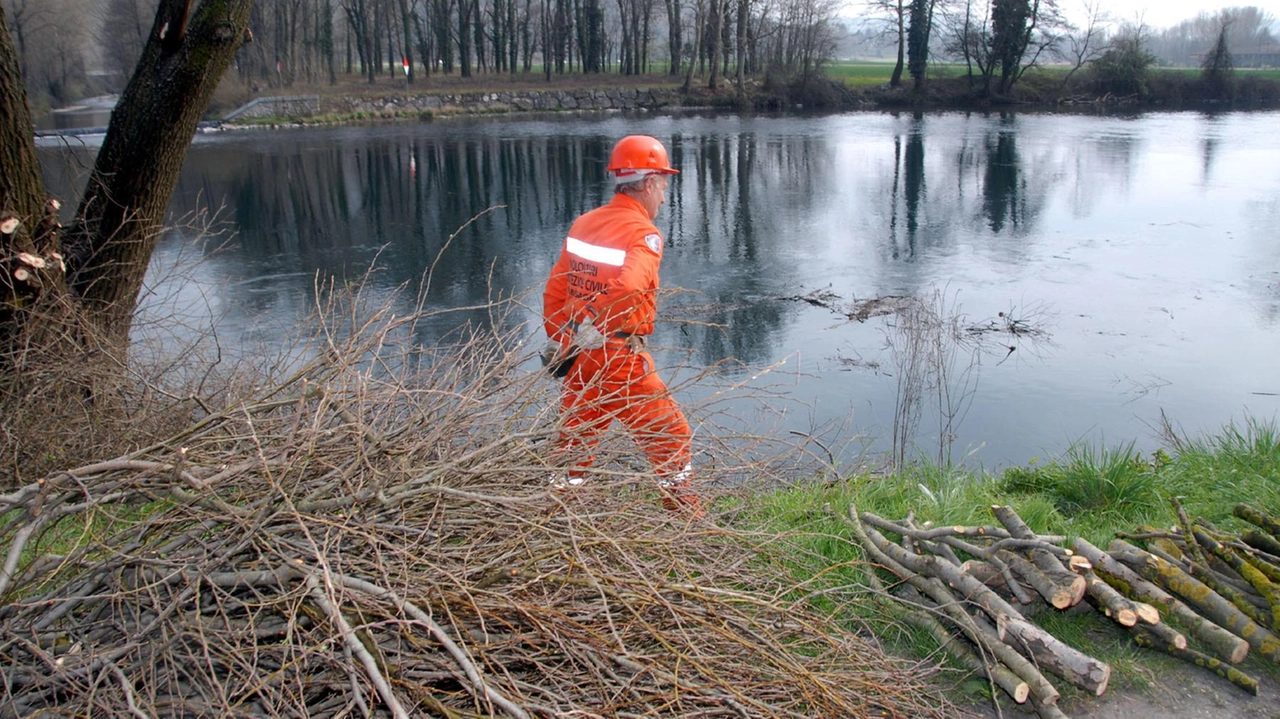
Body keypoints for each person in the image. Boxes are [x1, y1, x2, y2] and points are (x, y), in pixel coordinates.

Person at [541, 135, 703, 517]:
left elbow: (555, 291)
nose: (663, 197)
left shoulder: (584, 222)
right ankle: (687, 520)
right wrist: (599, 325)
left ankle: (557, 517)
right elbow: (630, 287)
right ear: (647, 183)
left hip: (580, 356)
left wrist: (565, 339)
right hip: (620, 357)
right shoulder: (643, 234)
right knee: (669, 434)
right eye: (662, 186)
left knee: (575, 441)